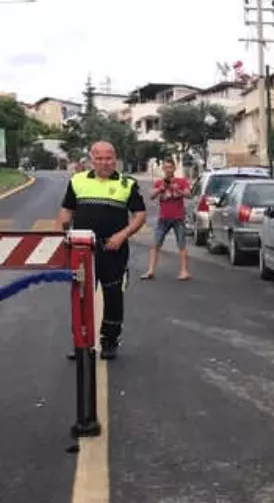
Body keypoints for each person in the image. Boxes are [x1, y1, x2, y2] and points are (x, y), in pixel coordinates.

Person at [57, 140, 147, 360]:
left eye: (108, 158)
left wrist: (122, 235)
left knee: (113, 295)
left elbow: (140, 215)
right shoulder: (77, 181)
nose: (104, 163)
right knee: (80, 295)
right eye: (99, 158)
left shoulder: (128, 184)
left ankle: (109, 341)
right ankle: (81, 341)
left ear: (115, 159)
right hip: (81, 248)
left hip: (113, 248)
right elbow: (67, 210)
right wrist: (62, 234)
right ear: (91, 160)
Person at [141, 158, 191, 280]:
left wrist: (177, 188)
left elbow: (189, 195)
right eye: (166, 167)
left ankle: (184, 271)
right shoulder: (159, 183)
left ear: (174, 168)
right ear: (163, 169)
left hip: (178, 218)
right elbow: (151, 196)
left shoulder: (181, 181)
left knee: (181, 245)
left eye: (170, 167)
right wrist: (161, 189)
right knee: (155, 245)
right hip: (163, 218)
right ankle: (150, 271)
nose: (168, 170)